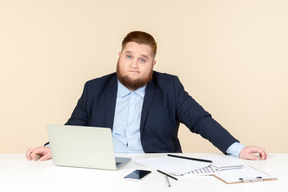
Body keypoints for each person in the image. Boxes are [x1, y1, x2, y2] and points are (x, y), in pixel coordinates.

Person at [26, 31, 267, 162]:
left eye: (142, 60)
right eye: (129, 57)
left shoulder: (170, 86)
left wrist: (238, 149)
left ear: (153, 63)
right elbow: (75, 126)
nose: (134, 65)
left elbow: (200, 120)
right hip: (106, 166)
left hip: (157, 167)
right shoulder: (94, 88)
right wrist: (52, 147)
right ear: (119, 56)